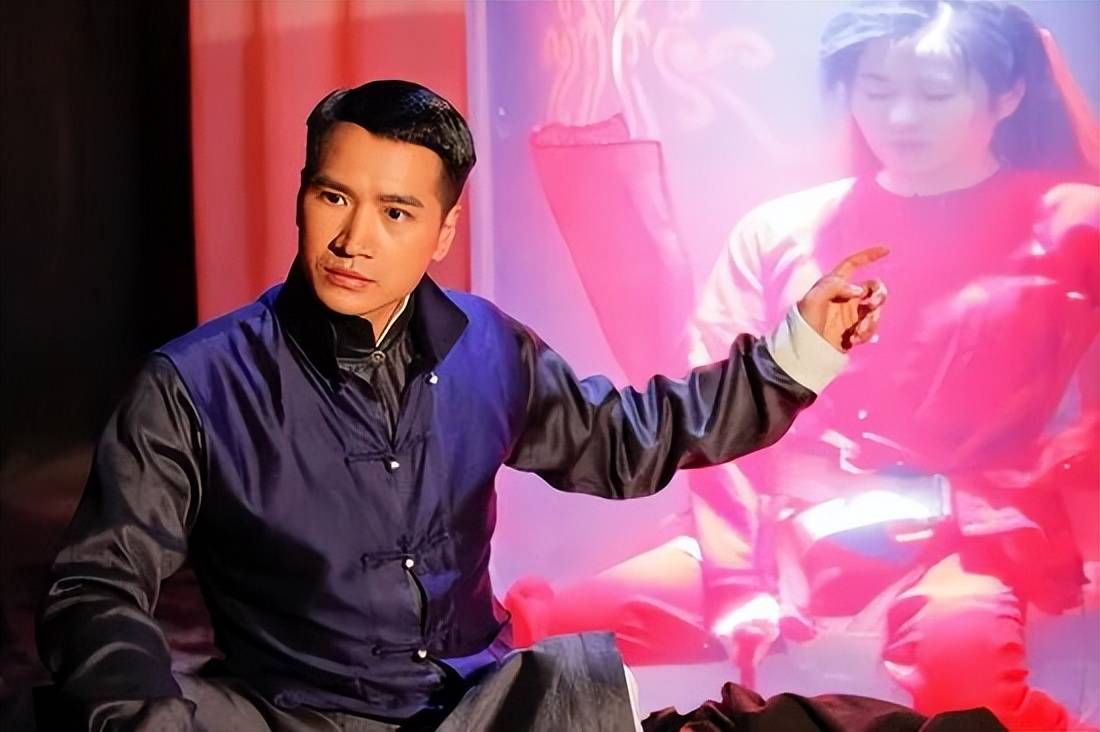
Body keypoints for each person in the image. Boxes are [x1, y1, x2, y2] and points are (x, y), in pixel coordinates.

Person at [35, 79, 887, 731]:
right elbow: (96, 587)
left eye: (396, 212)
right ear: (302, 195)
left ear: (441, 232)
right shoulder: (195, 382)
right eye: (333, 197)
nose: (353, 240)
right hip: (290, 712)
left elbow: (630, 442)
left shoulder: (488, 348)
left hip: (481, 707)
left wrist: (794, 355)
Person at [506, 2, 1099, 730]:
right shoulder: (782, 230)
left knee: (968, 687)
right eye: (875, 90)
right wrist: (738, 578)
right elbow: (717, 406)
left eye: (936, 93)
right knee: (542, 641)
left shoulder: (1074, 221)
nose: (901, 117)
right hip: (781, 525)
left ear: (1008, 95)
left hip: (968, 537)